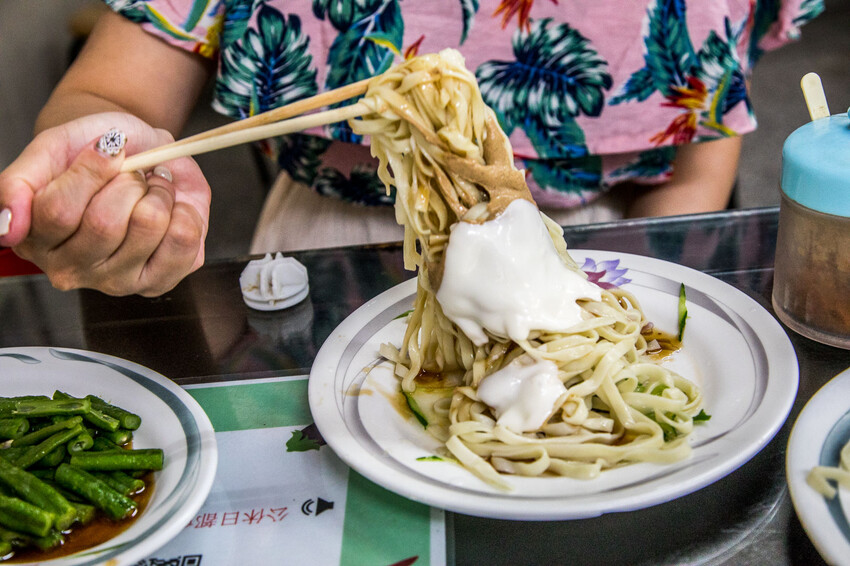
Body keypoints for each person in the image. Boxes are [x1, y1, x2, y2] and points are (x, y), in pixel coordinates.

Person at [0, 0, 823, 296]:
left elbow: (701, 152)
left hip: (608, 243)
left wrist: (604, 300)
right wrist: (107, 159)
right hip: (331, 241)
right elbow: (114, 96)